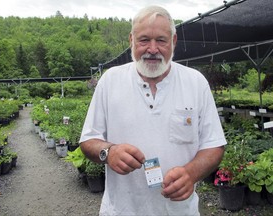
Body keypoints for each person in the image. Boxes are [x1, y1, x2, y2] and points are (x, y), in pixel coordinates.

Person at [80, 5, 226, 216]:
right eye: (144, 40)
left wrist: (190, 173)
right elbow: (88, 141)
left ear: (173, 42)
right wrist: (108, 153)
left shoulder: (195, 82)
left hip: (179, 211)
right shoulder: (110, 81)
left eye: (161, 40)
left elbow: (214, 145)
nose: (152, 48)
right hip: (121, 210)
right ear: (131, 40)